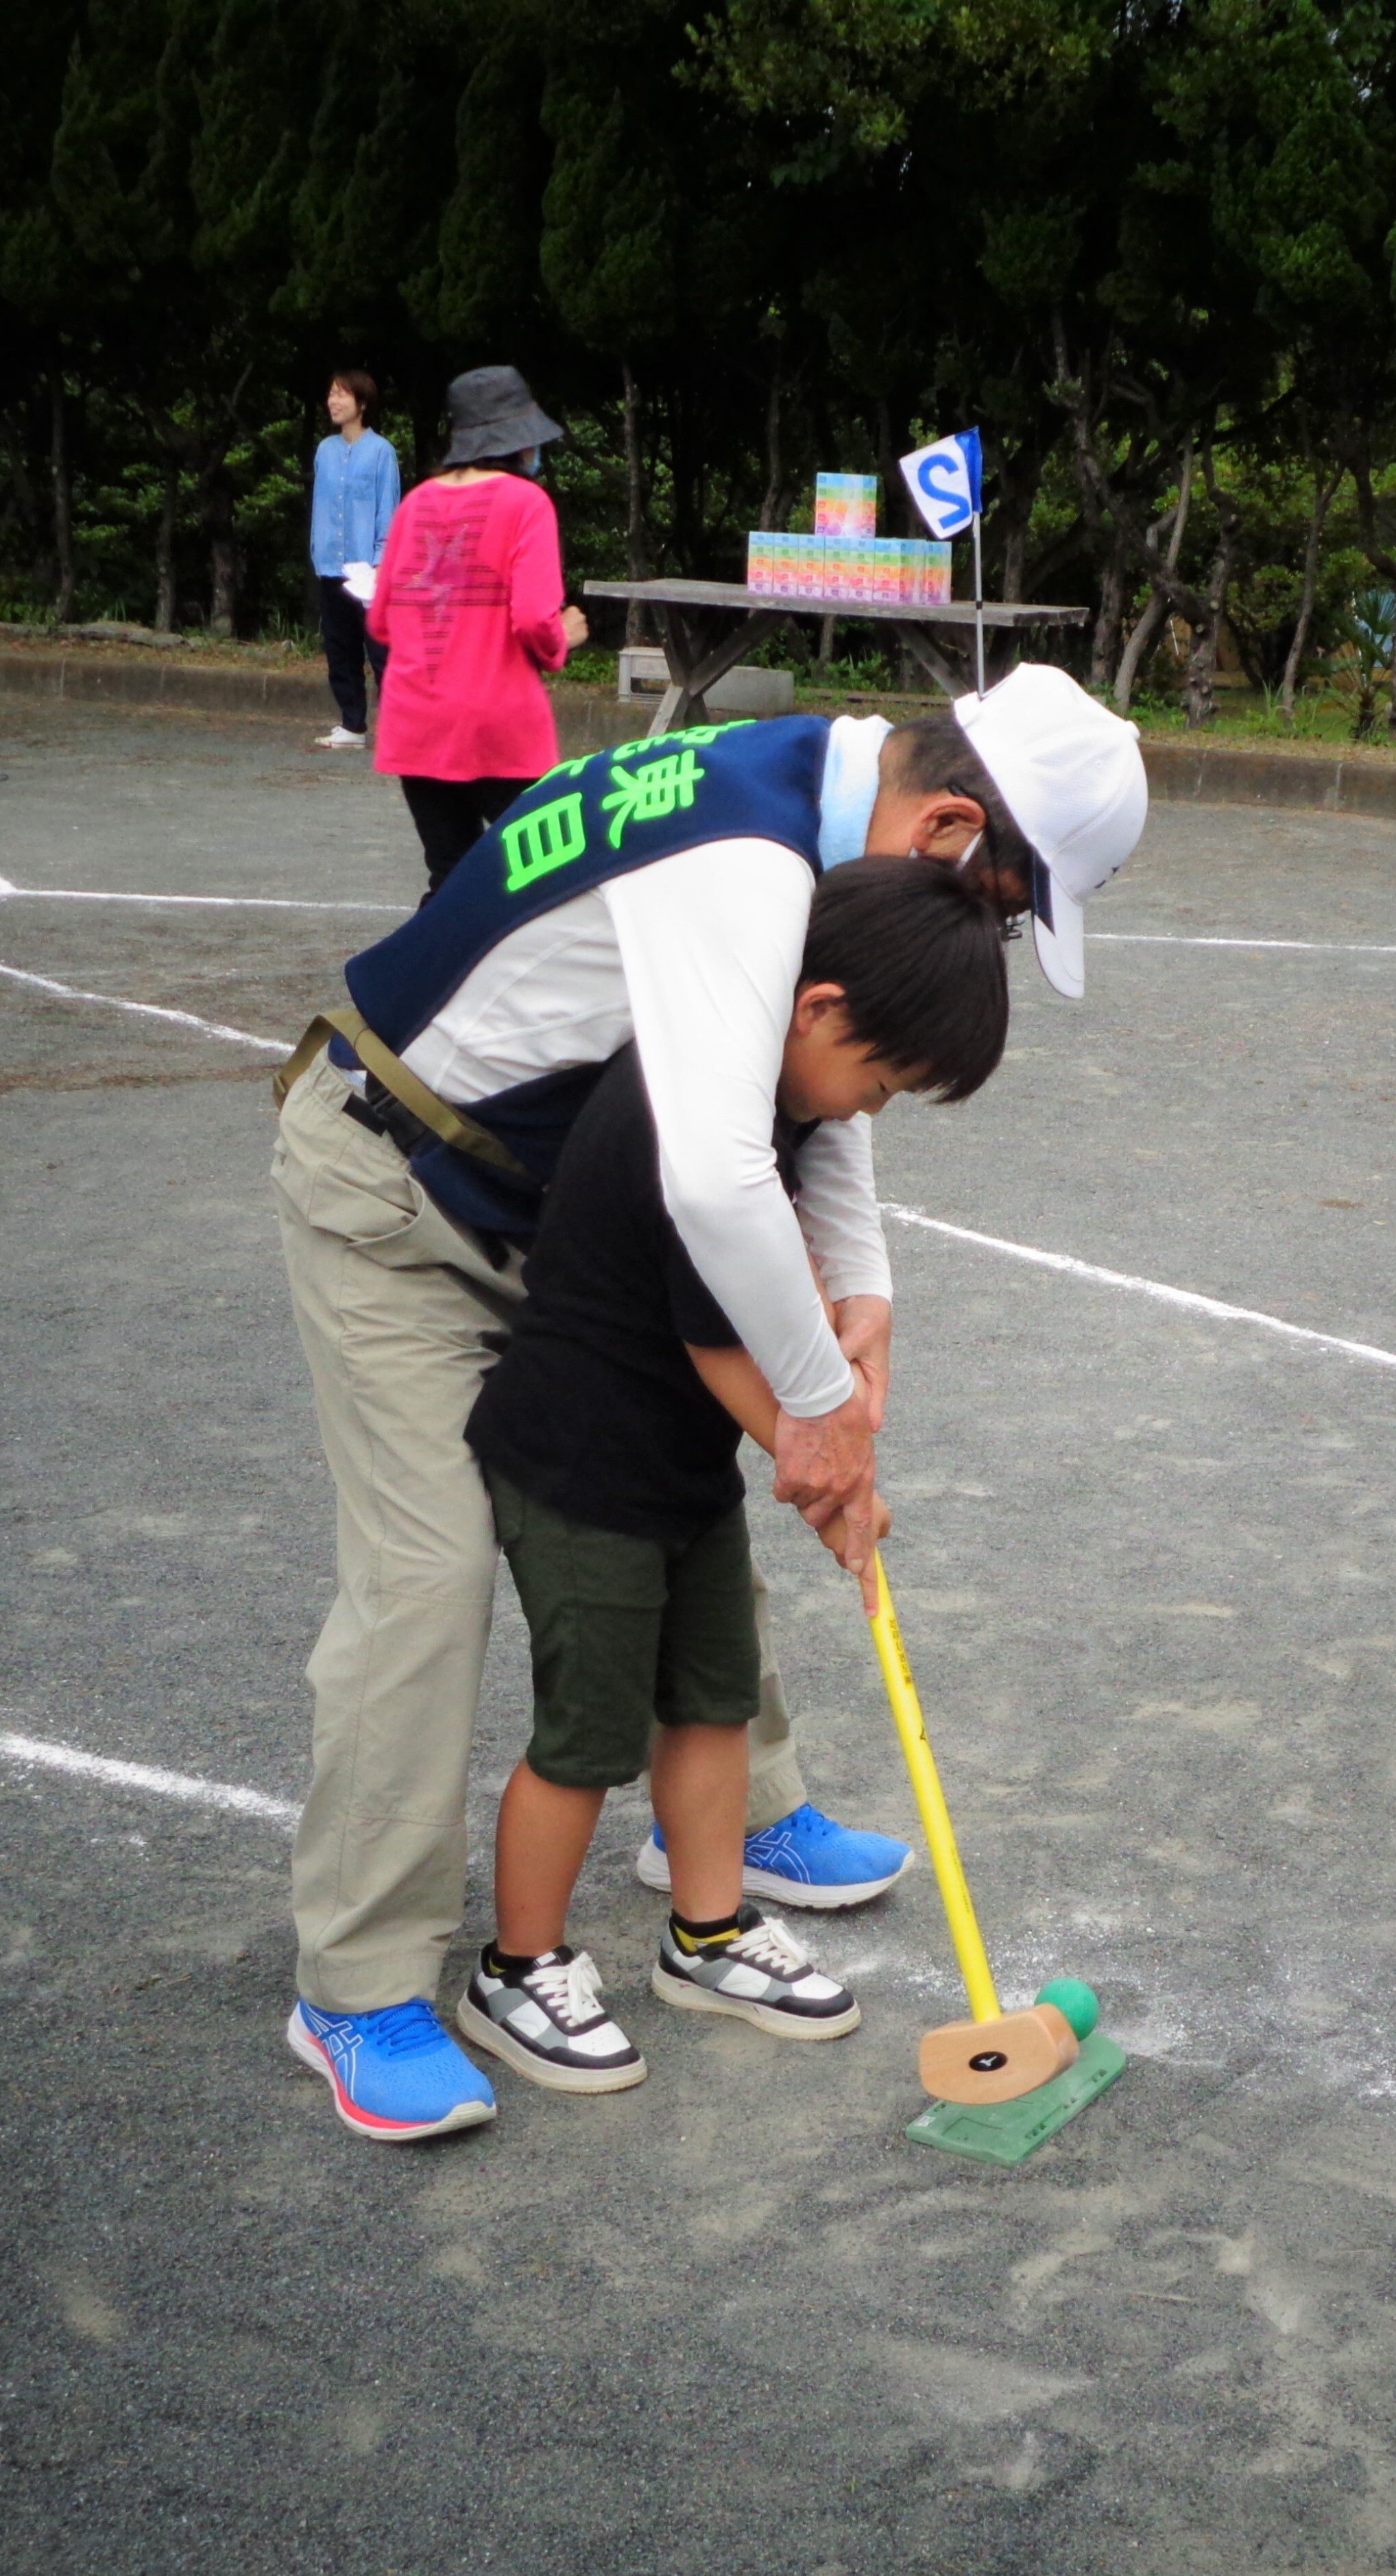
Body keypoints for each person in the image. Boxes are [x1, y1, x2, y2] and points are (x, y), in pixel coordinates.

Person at [270, 663, 1146, 2141]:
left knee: (667, 1500)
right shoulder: (743, 851)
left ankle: (739, 1823)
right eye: (999, 904)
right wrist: (821, 1406)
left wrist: (860, 1295)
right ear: (940, 828)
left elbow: (807, 1086)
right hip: (398, 1189)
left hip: (559, 1205)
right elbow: (716, 1172)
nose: (980, 935)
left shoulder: (820, 802)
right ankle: (354, 1987)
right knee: (426, 1578)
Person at [455, 856, 1012, 2090]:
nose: (865, 1111)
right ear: (815, 1008)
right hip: (583, 1466)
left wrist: (841, 1377)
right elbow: (719, 1340)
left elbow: (785, 1291)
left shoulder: (776, 1097)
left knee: (710, 1697)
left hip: (675, 1470)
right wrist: (828, 1469)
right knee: (585, 1737)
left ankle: (706, 1931)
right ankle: (517, 1967)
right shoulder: (699, 1121)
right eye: (875, 1079)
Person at [370, 366, 592, 892]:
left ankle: (422, 976)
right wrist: (563, 637)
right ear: (521, 443)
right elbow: (536, 617)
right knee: (545, 876)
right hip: (498, 724)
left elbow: (381, 620)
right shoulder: (526, 503)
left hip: (416, 721)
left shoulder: (415, 503)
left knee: (451, 878)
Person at [308, 370, 401, 754]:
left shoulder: (382, 451)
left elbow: (388, 509)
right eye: (331, 394)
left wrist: (382, 562)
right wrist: (318, 552)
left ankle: (400, 731)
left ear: (361, 403)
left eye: (342, 395)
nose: (334, 401)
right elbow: (320, 507)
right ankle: (352, 725)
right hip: (331, 566)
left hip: (370, 571)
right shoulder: (324, 451)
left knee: (382, 652)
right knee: (339, 648)